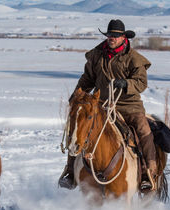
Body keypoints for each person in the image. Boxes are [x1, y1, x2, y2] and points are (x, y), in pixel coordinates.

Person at [58, 19, 157, 191]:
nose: (112, 38)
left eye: (116, 36)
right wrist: (76, 96)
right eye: (110, 35)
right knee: (79, 128)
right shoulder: (97, 55)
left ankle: (147, 173)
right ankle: (70, 171)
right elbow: (87, 78)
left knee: (143, 129)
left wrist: (126, 84)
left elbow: (141, 82)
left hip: (128, 105)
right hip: (101, 104)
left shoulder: (134, 58)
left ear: (123, 38)